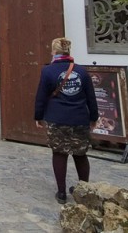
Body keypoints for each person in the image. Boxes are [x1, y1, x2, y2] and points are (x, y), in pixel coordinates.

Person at [34, 37, 99, 204]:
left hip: (57, 117)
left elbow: (41, 96)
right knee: (80, 154)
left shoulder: (48, 71)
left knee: (59, 153)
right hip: (79, 117)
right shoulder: (81, 71)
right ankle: (84, 189)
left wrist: (38, 116)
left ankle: (61, 192)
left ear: (54, 52)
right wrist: (94, 117)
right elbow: (91, 97)